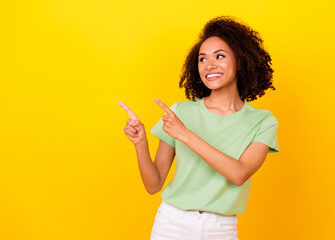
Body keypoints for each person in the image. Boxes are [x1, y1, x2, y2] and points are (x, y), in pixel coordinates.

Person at [118, 15, 279, 240]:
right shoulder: (181, 112)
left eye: (219, 56)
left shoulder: (262, 121)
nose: (209, 65)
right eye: (202, 59)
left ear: (240, 60)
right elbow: (153, 185)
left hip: (221, 229)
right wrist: (141, 143)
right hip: (171, 225)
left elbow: (239, 173)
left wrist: (185, 134)